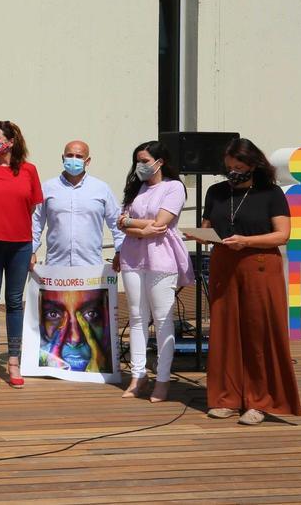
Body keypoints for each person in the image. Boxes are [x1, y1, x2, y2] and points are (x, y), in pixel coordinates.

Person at [192, 138, 301, 425]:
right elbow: (207, 228)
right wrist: (197, 235)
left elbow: (282, 235)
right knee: (224, 331)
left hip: (259, 264)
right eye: (229, 167)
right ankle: (226, 397)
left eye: (238, 167)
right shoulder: (216, 192)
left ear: (253, 165)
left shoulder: (271, 193)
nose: (233, 172)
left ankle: (258, 400)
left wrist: (247, 241)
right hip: (224, 263)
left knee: (259, 332)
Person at [116, 140, 193, 403]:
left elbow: (161, 224)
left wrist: (131, 225)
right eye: (138, 160)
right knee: (137, 317)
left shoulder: (173, 187)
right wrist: (139, 228)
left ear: (160, 162)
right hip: (132, 257)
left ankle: (162, 377)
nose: (140, 165)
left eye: (145, 160)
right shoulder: (136, 188)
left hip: (161, 257)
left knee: (162, 319)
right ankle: (139, 374)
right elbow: (121, 222)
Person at [0, 120, 42, 388]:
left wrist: (35, 248)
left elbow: (35, 213)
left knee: (15, 302)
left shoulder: (29, 170)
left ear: (11, 141)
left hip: (20, 245)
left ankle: (13, 360)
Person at [31, 140, 125, 270]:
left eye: (79, 156)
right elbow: (35, 222)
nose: (73, 159)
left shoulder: (101, 189)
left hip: (91, 268)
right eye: (69, 155)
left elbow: (117, 223)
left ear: (87, 161)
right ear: (63, 158)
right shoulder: (48, 188)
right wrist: (31, 250)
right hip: (56, 266)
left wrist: (120, 251)